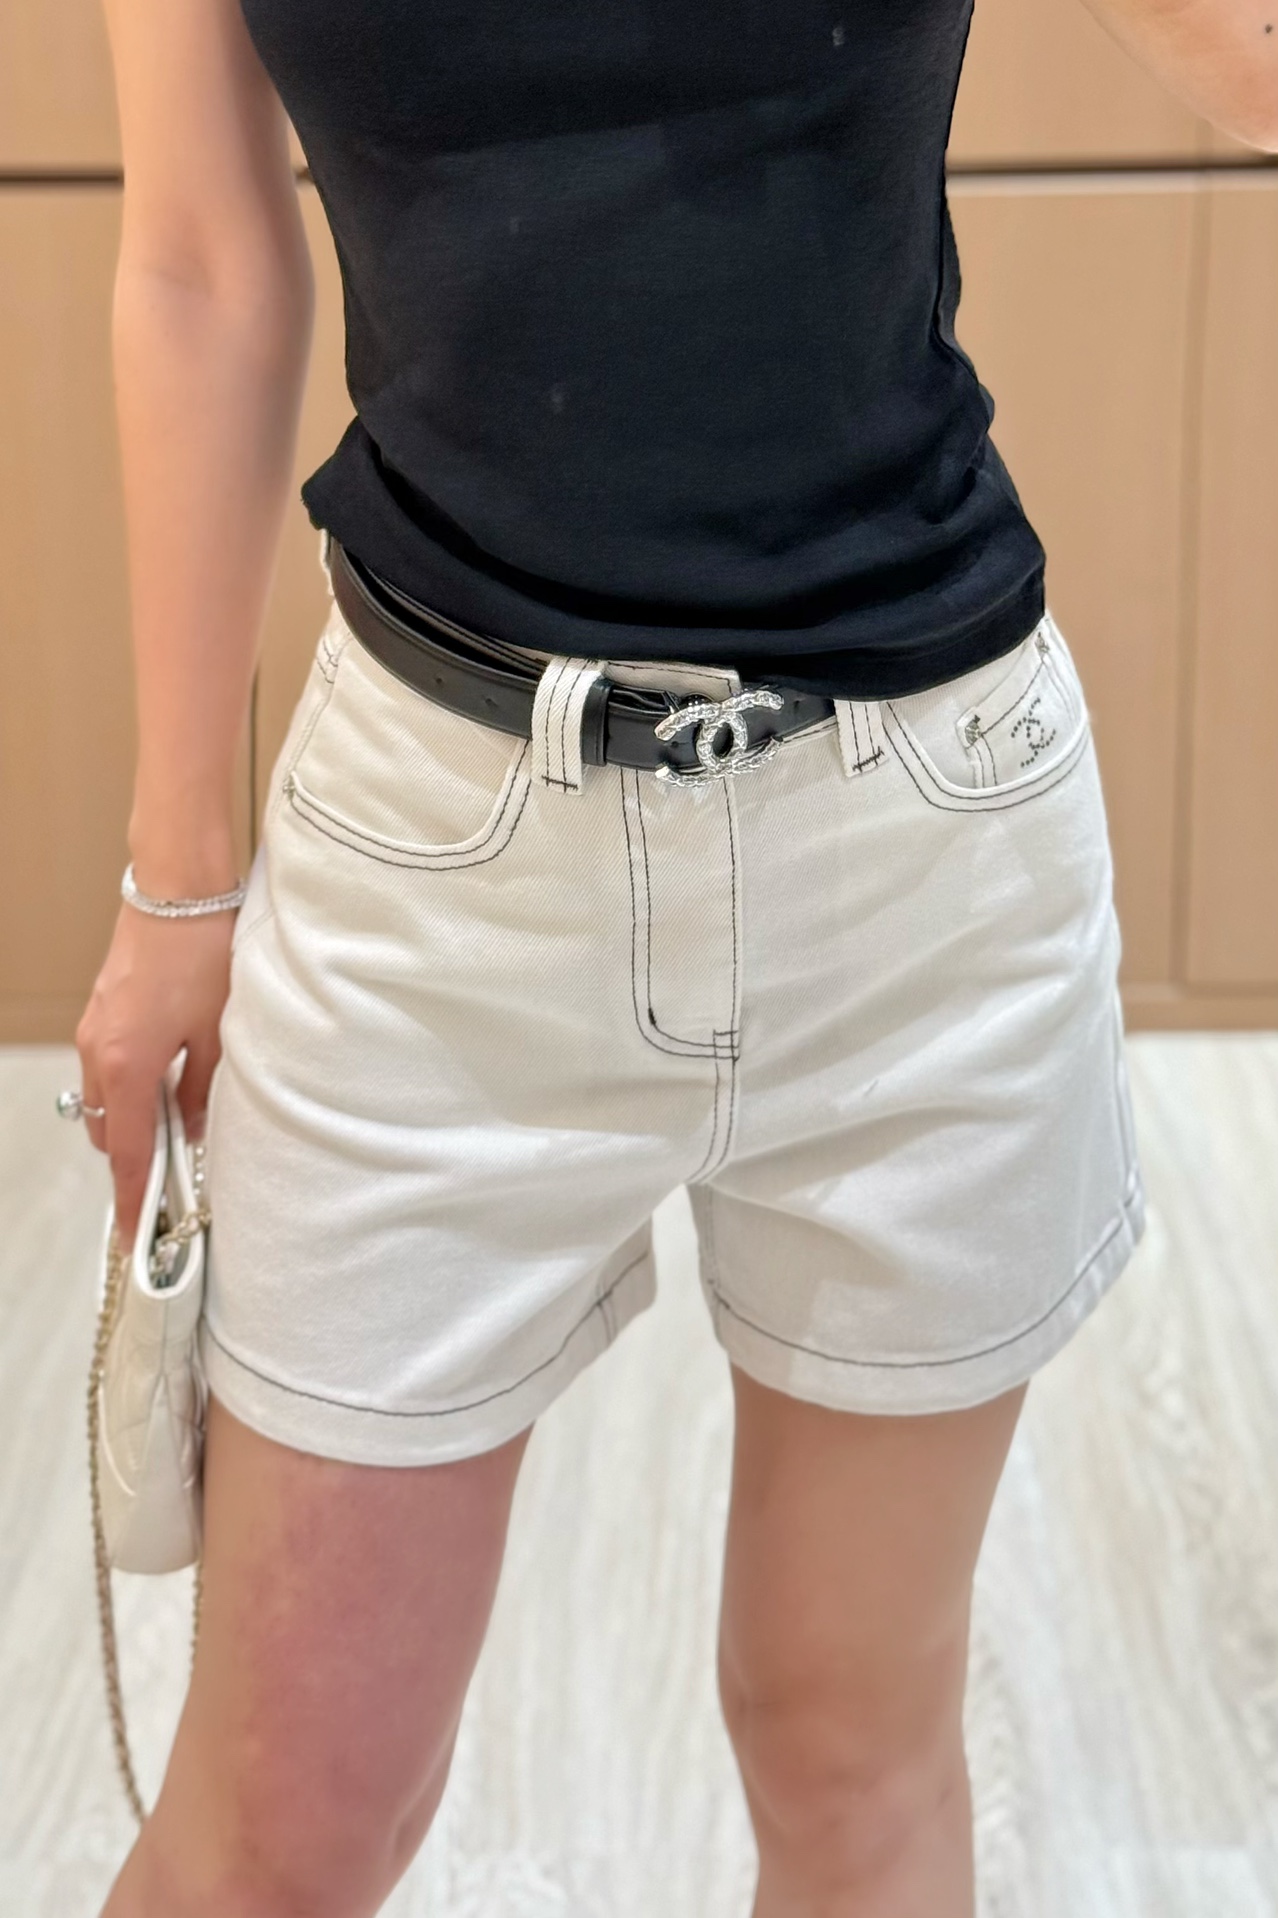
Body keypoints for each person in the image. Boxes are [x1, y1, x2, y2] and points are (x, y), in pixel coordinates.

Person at [77, 0, 1273, 1909]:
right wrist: (174, 886)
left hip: (917, 845)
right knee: (286, 1814)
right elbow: (200, 267)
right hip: (432, 861)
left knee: (846, 1739)